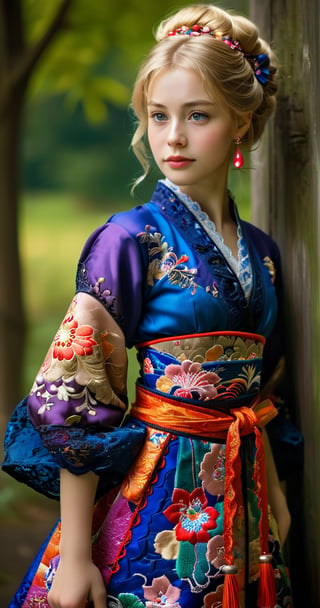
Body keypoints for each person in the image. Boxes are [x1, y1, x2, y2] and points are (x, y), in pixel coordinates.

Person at [2, 4, 293, 607]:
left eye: (198, 116)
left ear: (240, 123)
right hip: (158, 494)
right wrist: (77, 555)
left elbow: (262, 391)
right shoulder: (128, 240)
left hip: (246, 500)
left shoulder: (262, 253)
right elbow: (76, 398)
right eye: (158, 116)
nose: (173, 137)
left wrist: (277, 499)